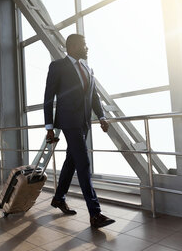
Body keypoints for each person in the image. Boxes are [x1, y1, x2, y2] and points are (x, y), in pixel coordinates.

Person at [43, 34, 115, 228]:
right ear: (72, 46)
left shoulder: (87, 68)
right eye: (84, 44)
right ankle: (95, 213)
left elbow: (94, 96)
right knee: (83, 162)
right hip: (68, 121)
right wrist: (49, 127)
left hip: (84, 122)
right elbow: (48, 97)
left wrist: (101, 117)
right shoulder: (58, 66)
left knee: (72, 160)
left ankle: (59, 198)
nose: (87, 48)